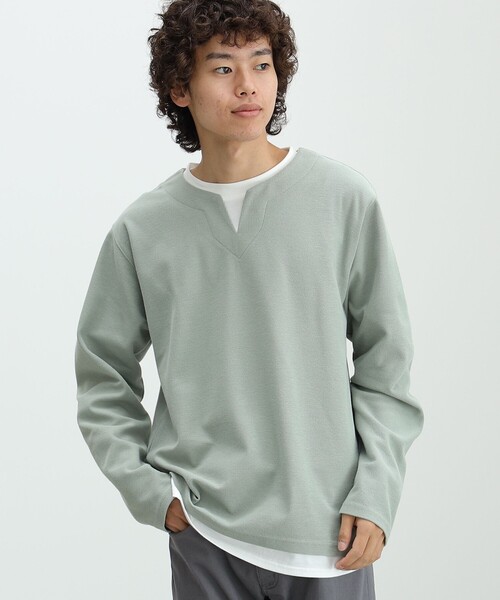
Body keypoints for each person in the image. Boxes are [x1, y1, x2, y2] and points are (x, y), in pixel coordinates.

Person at [74, 1, 425, 598]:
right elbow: (101, 373)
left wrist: (377, 491)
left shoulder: (342, 199)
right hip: (206, 532)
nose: (247, 85)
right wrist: (150, 493)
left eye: (261, 64)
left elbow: (386, 359)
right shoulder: (144, 229)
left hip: (330, 534)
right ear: (180, 88)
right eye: (222, 67)